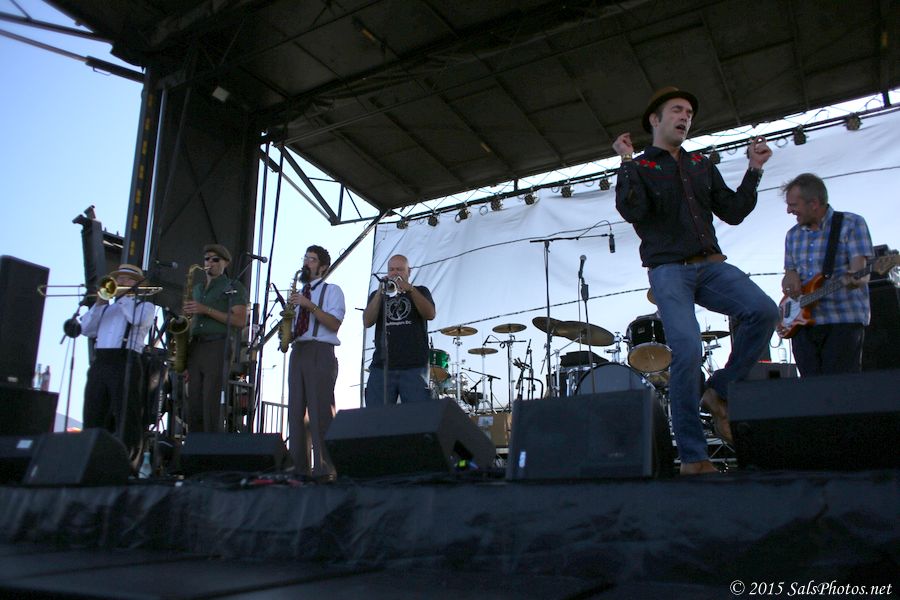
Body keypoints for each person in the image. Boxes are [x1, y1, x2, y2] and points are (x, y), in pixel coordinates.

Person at [613, 86, 779, 475]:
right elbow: (632, 210)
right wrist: (626, 162)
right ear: (655, 119)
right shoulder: (642, 166)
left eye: (689, 112)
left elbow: (733, 211)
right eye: (677, 110)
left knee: (763, 311)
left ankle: (718, 389)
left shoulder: (701, 163)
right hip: (668, 269)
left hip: (711, 265)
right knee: (687, 349)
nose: (685, 117)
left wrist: (755, 169)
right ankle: (693, 457)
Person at [779, 173, 873, 376]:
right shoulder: (792, 235)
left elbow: (861, 273)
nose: (789, 210)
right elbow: (790, 272)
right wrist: (790, 280)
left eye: (793, 205)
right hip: (801, 325)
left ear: (814, 203)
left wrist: (855, 278)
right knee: (812, 388)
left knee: (841, 386)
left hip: (842, 320)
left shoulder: (851, 224)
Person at [80, 263, 155, 458]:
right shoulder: (107, 309)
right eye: (119, 278)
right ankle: (91, 455)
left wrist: (123, 298)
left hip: (126, 360)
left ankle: (127, 458)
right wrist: (99, 303)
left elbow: (137, 320)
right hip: (101, 361)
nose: (121, 281)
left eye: (127, 279)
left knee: (126, 413)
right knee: (93, 410)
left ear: (137, 285)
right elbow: (86, 329)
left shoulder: (144, 306)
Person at [286, 245, 345, 478]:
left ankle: (326, 470)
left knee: (320, 412)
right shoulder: (298, 294)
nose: (306, 263)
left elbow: (334, 323)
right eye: (305, 258)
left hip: (320, 350)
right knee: (296, 414)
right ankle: (298, 471)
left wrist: (309, 305)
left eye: (311, 259)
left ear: (323, 267)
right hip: (298, 350)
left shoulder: (332, 291)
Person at [182, 244, 248, 433]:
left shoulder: (233, 287)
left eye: (215, 259)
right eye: (207, 259)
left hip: (218, 344)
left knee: (210, 401)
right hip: (196, 346)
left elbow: (240, 320)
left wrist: (206, 310)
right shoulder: (197, 289)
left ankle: (209, 445)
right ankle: (194, 445)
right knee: (193, 402)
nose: (210, 262)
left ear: (225, 263)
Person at [363, 254, 436, 405]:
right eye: (391, 269)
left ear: (409, 271)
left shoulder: (421, 291)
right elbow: (367, 321)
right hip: (382, 367)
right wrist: (379, 293)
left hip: (414, 367)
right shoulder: (378, 295)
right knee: (376, 415)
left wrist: (411, 290)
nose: (395, 273)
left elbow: (430, 314)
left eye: (400, 269)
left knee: (416, 415)